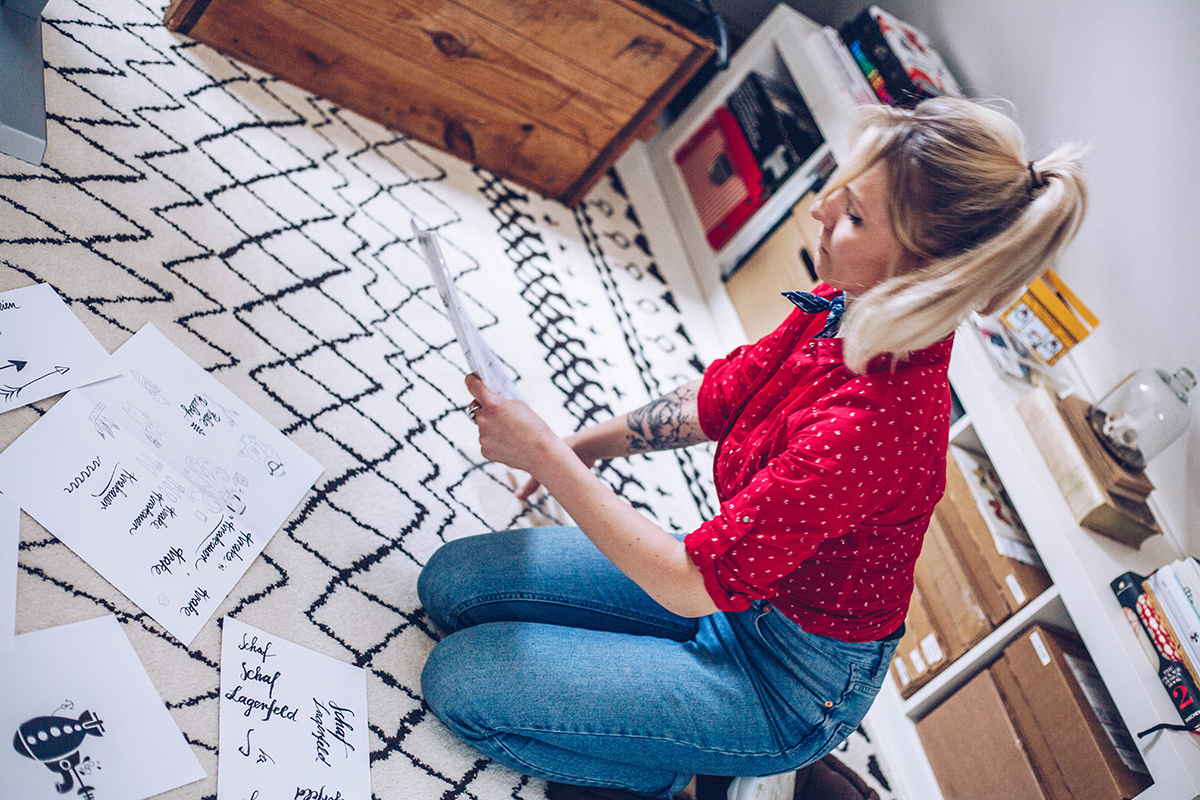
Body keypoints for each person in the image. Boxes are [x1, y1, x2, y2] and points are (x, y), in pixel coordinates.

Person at [417, 96, 1087, 800]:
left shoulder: (873, 425)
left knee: (461, 683)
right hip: (742, 587)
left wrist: (545, 460)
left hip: (783, 681)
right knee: (452, 585)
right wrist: (583, 445)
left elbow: (684, 583)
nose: (823, 208)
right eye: (842, 185)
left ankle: (703, 775)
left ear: (927, 272)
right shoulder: (848, 305)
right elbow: (720, 397)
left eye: (856, 215)